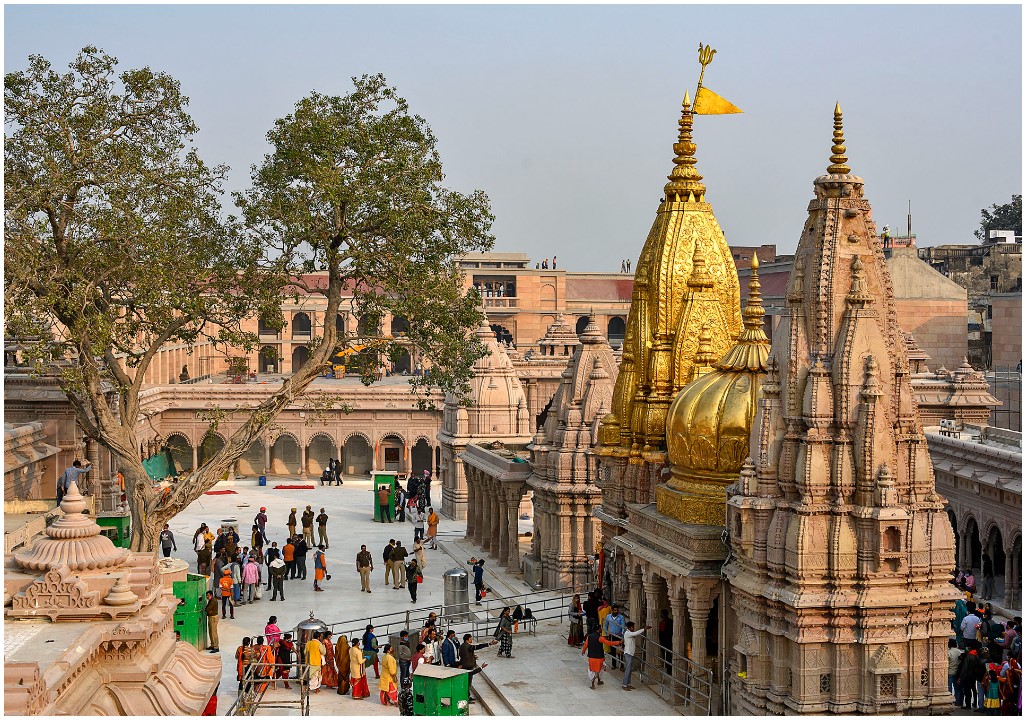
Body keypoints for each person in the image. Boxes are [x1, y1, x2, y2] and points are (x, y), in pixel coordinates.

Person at [621, 621, 649, 691]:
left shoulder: (630, 633)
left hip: (631, 653)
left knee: (630, 670)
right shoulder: (627, 633)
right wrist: (644, 629)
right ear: (629, 628)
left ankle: (628, 684)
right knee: (627, 670)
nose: (633, 628)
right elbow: (635, 633)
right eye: (632, 627)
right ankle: (624, 684)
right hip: (628, 653)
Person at [602, 604, 626, 670]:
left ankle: (621, 665)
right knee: (613, 651)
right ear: (612, 610)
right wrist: (606, 634)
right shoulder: (608, 617)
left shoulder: (621, 617)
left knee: (620, 651)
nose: (616, 611)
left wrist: (622, 636)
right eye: (615, 610)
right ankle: (613, 664)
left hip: (619, 636)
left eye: (617, 610)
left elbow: (623, 627)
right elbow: (605, 626)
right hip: (611, 636)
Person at [658, 608, 674, 673]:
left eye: (661, 614)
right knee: (668, 655)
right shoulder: (671, 621)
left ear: (663, 615)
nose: (660, 615)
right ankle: (669, 669)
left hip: (665, 641)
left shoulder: (663, 623)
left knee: (667, 656)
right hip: (669, 640)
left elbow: (661, 632)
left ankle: (669, 670)